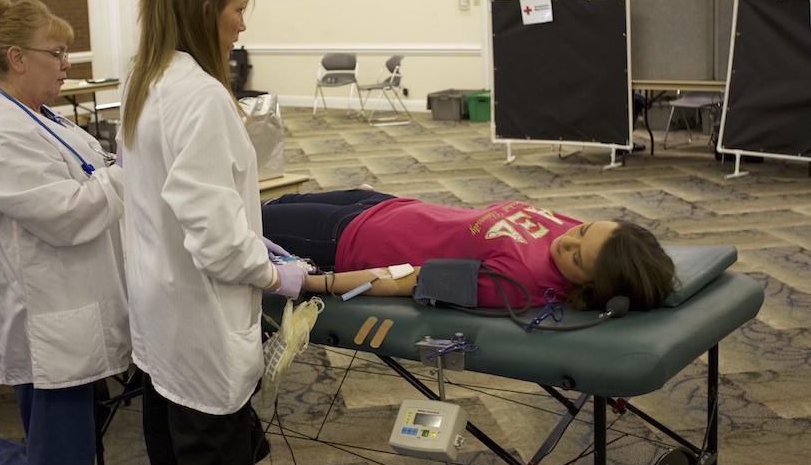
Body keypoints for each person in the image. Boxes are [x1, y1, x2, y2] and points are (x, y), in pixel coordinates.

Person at [120, 0, 307, 465]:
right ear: (207, 10)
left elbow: (170, 202)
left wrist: (250, 236)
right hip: (200, 331)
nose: (243, 25)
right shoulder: (200, 95)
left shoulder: (146, 78)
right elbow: (218, 244)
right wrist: (272, 274)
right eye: (237, 9)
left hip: (161, 322)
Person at [0, 0, 129, 465]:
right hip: (48, 322)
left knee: (77, 444)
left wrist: (117, 170)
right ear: (17, 58)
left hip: (70, 307)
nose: (66, 65)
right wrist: (131, 171)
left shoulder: (37, 115)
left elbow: (95, 168)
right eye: (55, 54)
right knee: (61, 455)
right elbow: (68, 214)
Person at [262, 189, 677, 312]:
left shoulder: (517, 283)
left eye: (576, 256)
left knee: (253, 219)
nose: (565, 238)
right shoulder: (588, 240)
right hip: (384, 204)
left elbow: (409, 280)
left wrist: (311, 282)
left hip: (345, 242)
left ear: (591, 285)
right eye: (582, 229)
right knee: (276, 203)